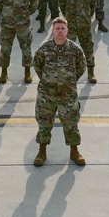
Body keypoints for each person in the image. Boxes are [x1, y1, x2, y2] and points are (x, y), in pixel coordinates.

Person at [31, 17, 87, 167]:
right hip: (47, 95)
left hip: (67, 95)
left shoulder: (75, 49)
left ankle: (74, 152)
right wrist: (47, 81)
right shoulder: (44, 48)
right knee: (44, 124)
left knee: (71, 124)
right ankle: (42, 152)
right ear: (52, 30)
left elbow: (81, 67)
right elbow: (37, 66)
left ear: (67, 30)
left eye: (63, 28)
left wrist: (69, 82)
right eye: (57, 28)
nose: (60, 31)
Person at [0, 0, 39, 84]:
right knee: (5, 49)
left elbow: (35, 2)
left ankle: (27, 72)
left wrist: (27, 13)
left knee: (26, 48)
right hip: (6, 25)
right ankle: (4, 72)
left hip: (23, 24)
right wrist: (5, 14)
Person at [58, 0, 98, 83]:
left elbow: (93, 6)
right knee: (68, 50)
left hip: (84, 26)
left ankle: (91, 72)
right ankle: (68, 72)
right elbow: (62, 5)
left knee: (88, 49)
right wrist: (68, 17)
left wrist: (86, 17)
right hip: (71, 27)